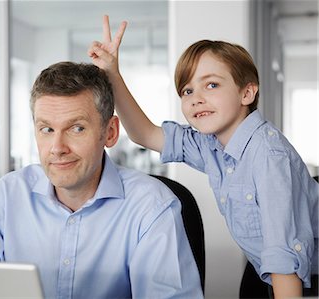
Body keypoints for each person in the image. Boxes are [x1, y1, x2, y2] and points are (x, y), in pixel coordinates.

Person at [88, 15, 318, 299]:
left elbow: (284, 259)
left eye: (211, 85)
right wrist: (112, 74)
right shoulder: (211, 145)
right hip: (267, 270)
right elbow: (145, 134)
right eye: (187, 90)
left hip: (301, 277)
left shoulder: (269, 157)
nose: (196, 97)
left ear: (247, 92)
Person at [0, 61, 203, 298]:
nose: (57, 148)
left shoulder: (151, 205)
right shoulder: (6, 196)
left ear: (110, 132)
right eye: (46, 129)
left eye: (76, 128)